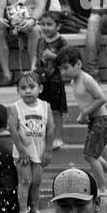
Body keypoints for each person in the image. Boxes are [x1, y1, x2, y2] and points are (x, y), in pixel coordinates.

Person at [57, 49, 107, 195]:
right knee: (90, 155)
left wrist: (85, 112)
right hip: (95, 120)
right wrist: (85, 114)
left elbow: (102, 98)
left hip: (102, 121)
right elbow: (86, 101)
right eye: (60, 69)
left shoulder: (86, 79)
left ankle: (102, 188)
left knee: (91, 156)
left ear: (78, 64)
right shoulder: (74, 81)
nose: (63, 72)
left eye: (66, 68)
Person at [8, 72, 53, 213]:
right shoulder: (16, 108)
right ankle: (22, 211)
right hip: (23, 152)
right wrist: (21, 150)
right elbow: (13, 130)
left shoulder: (45, 107)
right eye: (23, 88)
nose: (27, 90)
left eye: (31, 87)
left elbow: (50, 129)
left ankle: (34, 209)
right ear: (18, 91)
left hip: (39, 151)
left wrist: (48, 150)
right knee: (25, 181)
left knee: (37, 181)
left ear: (40, 88)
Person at [35, 10, 68, 149]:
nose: (45, 27)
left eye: (49, 24)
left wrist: (53, 56)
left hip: (56, 80)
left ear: (58, 26)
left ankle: (58, 136)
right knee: (42, 108)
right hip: (43, 80)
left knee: (56, 110)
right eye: (42, 24)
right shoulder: (40, 41)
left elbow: (66, 60)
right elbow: (37, 57)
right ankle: (43, 136)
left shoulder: (61, 41)